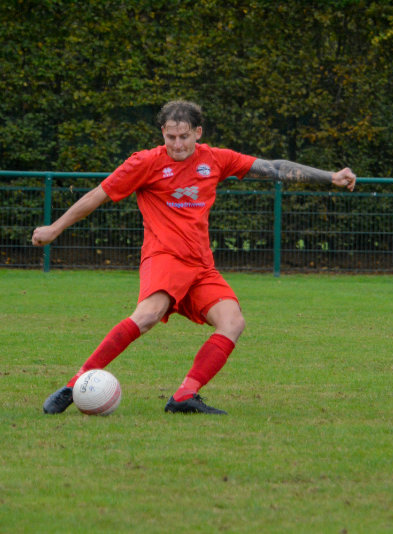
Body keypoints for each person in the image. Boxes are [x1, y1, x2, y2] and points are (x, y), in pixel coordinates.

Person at [33, 100, 356, 415]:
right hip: (164, 257)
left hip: (201, 265)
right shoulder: (144, 162)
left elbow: (273, 168)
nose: (177, 144)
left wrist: (330, 177)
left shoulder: (215, 159)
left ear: (198, 132)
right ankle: (74, 384)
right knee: (147, 315)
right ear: (162, 133)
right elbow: (97, 195)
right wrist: (55, 228)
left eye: (184, 136)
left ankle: (185, 395)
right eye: (170, 137)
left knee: (232, 322)